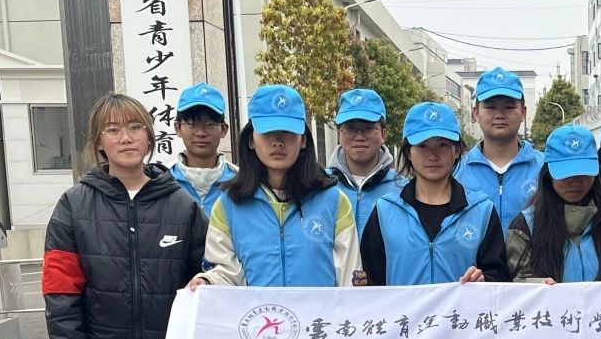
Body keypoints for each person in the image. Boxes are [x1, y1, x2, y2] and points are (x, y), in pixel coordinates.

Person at [43, 93, 206, 339]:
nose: (126, 138)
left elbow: (207, 278)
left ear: (150, 137)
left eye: (135, 127)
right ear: (99, 142)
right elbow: (60, 294)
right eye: (113, 130)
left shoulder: (181, 205)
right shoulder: (74, 205)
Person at [189, 84, 360, 289]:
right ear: (251, 140)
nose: (278, 142)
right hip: (256, 312)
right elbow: (226, 273)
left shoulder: (334, 201)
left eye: (288, 132)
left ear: (303, 140)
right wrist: (208, 281)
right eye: (268, 132)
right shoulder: (229, 205)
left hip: (321, 312)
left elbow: (349, 278)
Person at [360, 101, 508, 285]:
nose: (432, 155)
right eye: (422, 145)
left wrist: (484, 279)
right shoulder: (384, 212)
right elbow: (370, 286)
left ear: (457, 150)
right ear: (408, 152)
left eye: (442, 145)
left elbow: (500, 279)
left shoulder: (481, 211)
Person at [506, 124, 601, 283]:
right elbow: (518, 282)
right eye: (566, 174)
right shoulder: (525, 226)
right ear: (548, 174)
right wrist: (537, 286)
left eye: (583, 172)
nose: (575, 182)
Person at [455, 67, 545, 231]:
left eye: (509, 107)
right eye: (490, 107)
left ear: (523, 112)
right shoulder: (456, 171)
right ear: (476, 113)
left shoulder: (545, 168)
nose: (500, 115)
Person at [327, 88, 399, 237]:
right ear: (339, 134)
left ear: (383, 134)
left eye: (368, 129)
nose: (359, 137)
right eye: (350, 129)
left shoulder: (402, 189)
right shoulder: (321, 185)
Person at [170, 82, 237, 219]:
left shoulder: (240, 180)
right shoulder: (164, 180)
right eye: (192, 124)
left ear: (224, 129)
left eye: (210, 124)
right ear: (178, 128)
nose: (201, 133)